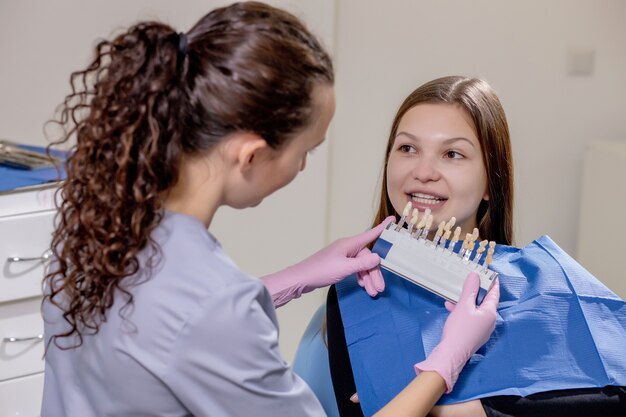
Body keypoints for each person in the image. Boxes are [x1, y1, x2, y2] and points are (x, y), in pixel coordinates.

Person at [41, 4, 499, 417]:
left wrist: (287, 281)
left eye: (453, 155)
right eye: (306, 152)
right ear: (251, 156)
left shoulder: (95, 229)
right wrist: (445, 363)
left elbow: (156, 323)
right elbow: (197, 319)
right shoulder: (217, 306)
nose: (301, 168)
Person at [314, 75, 626, 417]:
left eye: (452, 153)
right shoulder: (357, 293)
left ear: (492, 181)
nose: (423, 171)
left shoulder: (546, 285)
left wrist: (469, 410)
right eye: (407, 148)